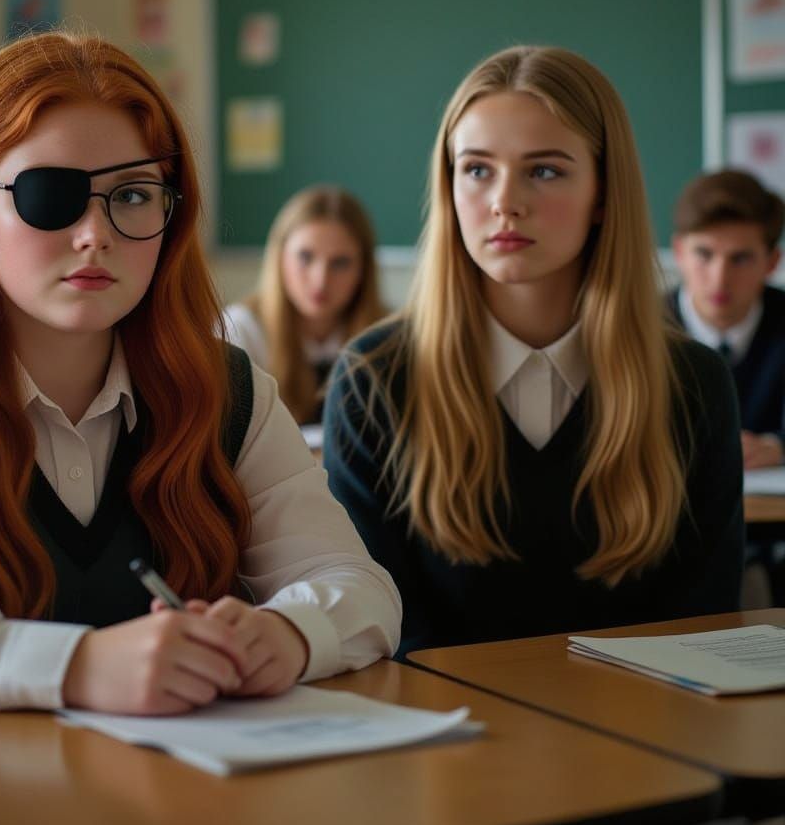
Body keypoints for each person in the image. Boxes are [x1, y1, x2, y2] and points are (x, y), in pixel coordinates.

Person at [0, 33, 400, 712]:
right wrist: (76, 666)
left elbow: (359, 587)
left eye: (132, 195)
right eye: (52, 195)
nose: (95, 234)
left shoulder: (228, 391)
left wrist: (286, 634)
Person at [324, 45, 744, 658]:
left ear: (604, 193)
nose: (504, 201)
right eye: (476, 169)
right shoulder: (375, 377)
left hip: (644, 739)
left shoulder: (693, 383)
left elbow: (703, 628)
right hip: (448, 740)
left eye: (544, 170)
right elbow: (383, 630)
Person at [223, 186, 387, 432]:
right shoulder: (239, 331)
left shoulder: (387, 335)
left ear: (364, 270)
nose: (320, 279)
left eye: (340, 263)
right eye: (305, 257)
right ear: (279, 258)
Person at [670, 170, 784, 469]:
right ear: (680, 252)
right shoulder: (635, 324)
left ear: (772, 262)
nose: (720, 279)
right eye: (704, 254)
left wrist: (778, 447)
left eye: (741, 258)